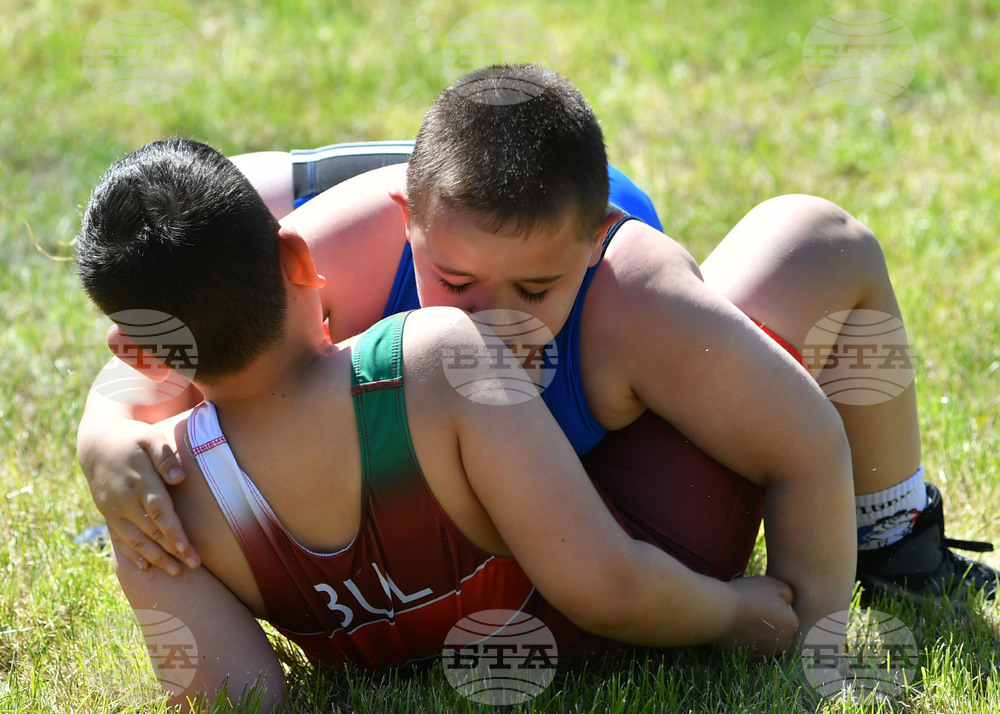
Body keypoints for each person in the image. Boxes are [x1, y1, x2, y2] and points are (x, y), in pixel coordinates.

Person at [77, 64, 997, 610]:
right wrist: (107, 440)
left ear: (591, 253)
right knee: (215, 195)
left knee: (822, 237)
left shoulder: (634, 303)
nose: (493, 318)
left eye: (535, 291)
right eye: (459, 286)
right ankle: (366, 168)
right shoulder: (346, 251)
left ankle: (899, 529)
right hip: (398, 186)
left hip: (585, 248)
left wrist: (805, 630)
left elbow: (802, 439)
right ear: (409, 230)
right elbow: (185, 307)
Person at [76, 137, 832, 710]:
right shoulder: (434, 355)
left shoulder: (151, 509)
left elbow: (235, 697)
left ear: (137, 355)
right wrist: (731, 613)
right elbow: (611, 587)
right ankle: (890, 519)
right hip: (619, 605)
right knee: (806, 242)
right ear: (301, 258)